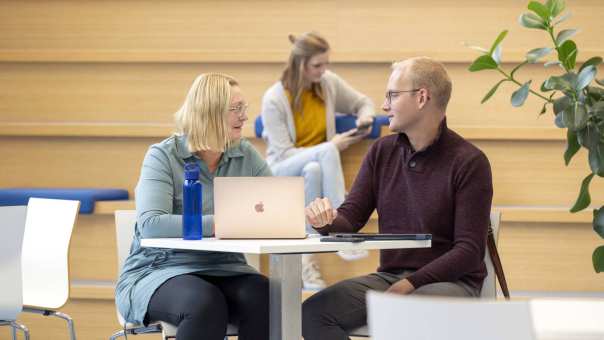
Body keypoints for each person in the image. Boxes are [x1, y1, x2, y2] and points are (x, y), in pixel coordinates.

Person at [301, 57, 493, 340]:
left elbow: (468, 251)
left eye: (392, 95)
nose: (384, 105)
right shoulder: (382, 152)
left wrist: (411, 284)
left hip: (450, 283)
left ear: (422, 97)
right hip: (390, 279)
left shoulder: (469, 162)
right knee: (313, 313)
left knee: (406, 314)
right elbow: (350, 219)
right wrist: (325, 221)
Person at [115, 73, 270, 340]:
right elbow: (152, 225)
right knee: (204, 303)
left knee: (266, 295)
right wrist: (222, 222)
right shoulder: (163, 156)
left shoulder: (246, 154)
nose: (245, 117)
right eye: (236, 109)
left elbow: (276, 207)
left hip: (227, 267)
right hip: (160, 270)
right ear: (208, 113)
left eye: (244, 108)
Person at [260, 32, 376, 289]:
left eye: (326, 64)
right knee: (324, 153)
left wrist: (364, 118)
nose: (323, 71)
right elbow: (282, 155)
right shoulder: (274, 99)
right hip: (281, 168)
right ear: (300, 64)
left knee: (313, 168)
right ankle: (342, 229)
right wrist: (329, 146)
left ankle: (306, 263)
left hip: (313, 168)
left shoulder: (327, 84)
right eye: (317, 65)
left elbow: (363, 102)